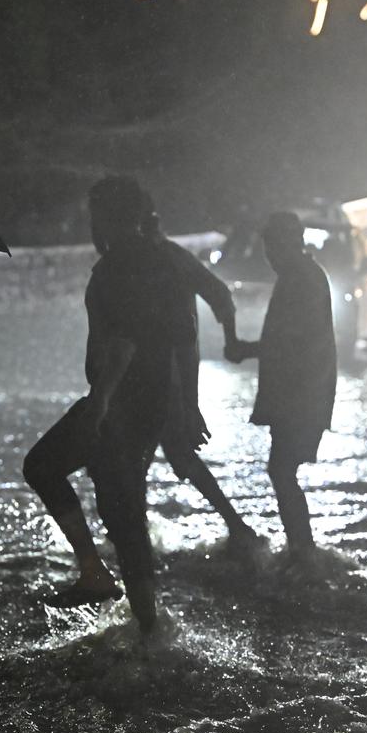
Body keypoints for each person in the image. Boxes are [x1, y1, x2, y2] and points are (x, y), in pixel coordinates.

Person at [23, 175, 198, 633]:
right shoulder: (166, 262)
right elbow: (186, 340)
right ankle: (143, 619)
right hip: (153, 399)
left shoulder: (118, 267)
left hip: (119, 402)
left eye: (95, 213)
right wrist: (187, 406)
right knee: (122, 505)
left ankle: (112, 591)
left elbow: (122, 342)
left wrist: (99, 405)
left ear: (107, 216)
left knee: (45, 468)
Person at [140, 214, 260, 550]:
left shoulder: (160, 260)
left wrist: (232, 340)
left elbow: (218, 295)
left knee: (157, 453)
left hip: (163, 377)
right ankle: (235, 526)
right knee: (166, 453)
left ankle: (134, 535)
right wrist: (232, 340)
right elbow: (219, 294)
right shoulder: (166, 257)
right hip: (158, 376)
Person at [225, 211, 337, 556]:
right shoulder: (300, 275)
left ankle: (303, 553)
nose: (269, 255)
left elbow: (293, 341)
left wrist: (247, 349)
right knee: (282, 470)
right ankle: (301, 550)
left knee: (281, 469)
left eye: (272, 247)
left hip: (301, 394)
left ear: (289, 243)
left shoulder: (301, 279)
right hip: (300, 392)